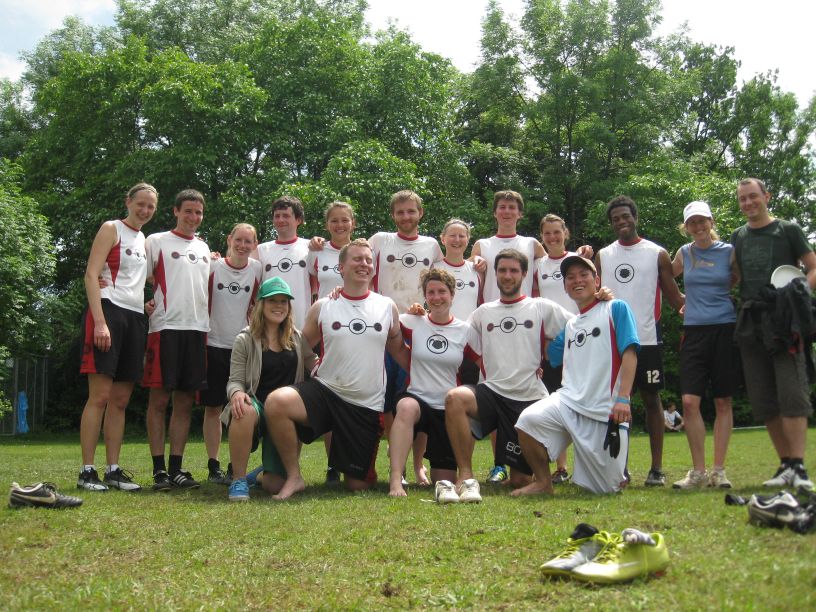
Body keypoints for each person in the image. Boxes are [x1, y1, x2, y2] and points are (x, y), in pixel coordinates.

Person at [264, 239, 406, 500]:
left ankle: (356, 465)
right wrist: (312, 364)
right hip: (326, 391)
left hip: (365, 404)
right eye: (357, 259)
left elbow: (399, 351)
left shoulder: (387, 306)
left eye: (368, 260)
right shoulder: (324, 306)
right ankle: (294, 477)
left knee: (358, 486)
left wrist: (423, 377)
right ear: (341, 267)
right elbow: (298, 347)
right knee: (276, 402)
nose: (364, 264)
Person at [444, 249, 575, 502]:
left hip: (529, 398)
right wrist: (422, 315)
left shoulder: (541, 307)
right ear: (495, 274)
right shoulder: (483, 312)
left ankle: (534, 475)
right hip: (492, 392)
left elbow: (579, 326)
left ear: (524, 274)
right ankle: (466, 474)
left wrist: (601, 300)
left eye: (514, 270)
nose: (507, 275)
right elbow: (456, 335)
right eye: (502, 270)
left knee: (520, 480)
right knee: (454, 399)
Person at [514, 255, 639, 496]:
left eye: (584, 275)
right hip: (568, 402)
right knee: (527, 421)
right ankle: (543, 483)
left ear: (597, 281)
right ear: (565, 287)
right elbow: (551, 354)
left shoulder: (616, 308)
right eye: (570, 277)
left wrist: (623, 398)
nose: (577, 281)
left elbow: (630, 353)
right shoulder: (571, 326)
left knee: (604, 490)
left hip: (603, 410)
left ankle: (617, 472)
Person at [732, 178, 815, 490]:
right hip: (750, 321)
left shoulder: (787, 230)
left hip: (784, 322)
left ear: (766, 196)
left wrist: (794, 292)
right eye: (743, 198)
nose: (748, 203)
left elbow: (812, 267)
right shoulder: (738, 236)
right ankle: (785, 464)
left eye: (753, 196)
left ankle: (799, 467)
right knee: (763, 397)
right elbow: (735, 276)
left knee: (792, 393)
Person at [596, 195, 685, 487]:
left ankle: (656, 469)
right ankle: (620, 469)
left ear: (635, 217)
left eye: (626, 216)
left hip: (647, 339)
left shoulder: (657, 253)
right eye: (615, 219)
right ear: (611, 224)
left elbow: (674, 297)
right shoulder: (603, 255)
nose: (621, 222)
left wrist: (708, 302)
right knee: (617, 403)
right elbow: (593, 297)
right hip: (612, 342)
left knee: (651, 400)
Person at [77, 183, 158, 491]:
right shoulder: (111, 228)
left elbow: (146, 278)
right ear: (128, 202)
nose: (145, 210)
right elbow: (91, 274)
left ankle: (113, 470)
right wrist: (99, 322)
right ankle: (87, 471)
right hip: (108, 312)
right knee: (99, 396)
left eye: (150, 206)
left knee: (120, 400)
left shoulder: (145, 240)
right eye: (140, 204)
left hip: (135, 318)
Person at [224, 277, 317, 501]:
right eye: (272, 300)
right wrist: (236, 393)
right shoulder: (245, 339)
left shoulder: (297, 337)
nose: (279, 306)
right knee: (243, 409)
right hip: (256, 406)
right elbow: (235, 380)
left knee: (276, 485)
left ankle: (258, 475)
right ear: (260, 304)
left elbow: (314, 364)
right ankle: (238, 480)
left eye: (284, 301)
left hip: (284, 414)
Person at [143, 189, 211, 490]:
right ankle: (159, 470)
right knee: (159, 401)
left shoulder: (204, 247)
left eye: (198, 213)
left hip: (197, 330)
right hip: (165, 328)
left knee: (184, 403)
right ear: (175, 211)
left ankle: (176, 468)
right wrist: (144, 303)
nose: (193, 217)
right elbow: (136, 275)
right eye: (188, 211)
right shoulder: (156, 241)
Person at [388, 268, 477, 497]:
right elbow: (383, 323)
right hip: (417, 398)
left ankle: (436, 467)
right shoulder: (412, 321)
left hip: (447, 409)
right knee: (406, 407)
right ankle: (396, 480)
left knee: (444, 481)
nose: (436, 297)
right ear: (425, 296)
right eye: (431, 292)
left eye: (442, 291)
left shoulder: (465, 331)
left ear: (452, 294)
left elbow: (484, 361)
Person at [670, 201, 737, 488]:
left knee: (723, 400)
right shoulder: (684, 253)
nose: (698, 227)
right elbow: (664, 276)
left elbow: (738, 279)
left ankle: (718, 471)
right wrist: (680, 300)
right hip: (694, 331)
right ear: (686, 227)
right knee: (689, 402)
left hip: (725, 328)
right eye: (692, 222)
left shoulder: (729, 251)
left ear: (711, 221)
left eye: (702, 221)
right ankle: (698, 472)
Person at [199, 223, 262, 484]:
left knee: (242, 408)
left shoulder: (258, 269)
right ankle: (213, 464)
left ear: (255, 245)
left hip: (244, 347)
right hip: (213, 343)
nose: (243, 245)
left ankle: (234, 466)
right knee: (213, 407)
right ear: (229, 239)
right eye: (239, 240)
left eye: (248, 241)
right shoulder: (212, 265)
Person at [306, 201, 357, 483]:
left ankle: (353, 460)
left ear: (353, 223)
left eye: (344, 220)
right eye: (334, 220)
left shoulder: (363, 250)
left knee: (352, 396)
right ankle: (332, 465)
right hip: (326, 330)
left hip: (357, 329)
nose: (340, 225)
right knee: (329, 393)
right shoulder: (316, 251)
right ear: (327, 225)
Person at [534, 213, 580, 484]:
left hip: (580, 339)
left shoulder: (578, 259)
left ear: (565, 233)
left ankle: (584, 465)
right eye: (547, 233)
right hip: (552, 343)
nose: (552, 237)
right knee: (555, 401)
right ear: (542, 237)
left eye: (557, 231)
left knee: (579, 401)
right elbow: (533, 303)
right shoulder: (537, 265)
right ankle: (561, 467)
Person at [255, 196, 312, 329]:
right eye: (277, 216)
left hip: (302, 326)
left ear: (298, 220)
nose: (280, 220)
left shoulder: (311, 247)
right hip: (269, 327)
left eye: (286, 216)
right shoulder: (260, 250)